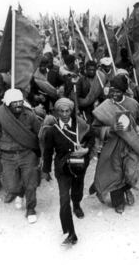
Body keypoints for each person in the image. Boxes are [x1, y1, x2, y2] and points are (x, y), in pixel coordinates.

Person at [0, 89, 41, 223]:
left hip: (27, 154)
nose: (18, 104)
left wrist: (42, 155)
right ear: (7, 104)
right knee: (11, 186)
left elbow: (40, 134)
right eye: (14, 102)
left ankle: (31, 209)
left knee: (31, 184)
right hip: (7, 157)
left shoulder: (30, 115)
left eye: (20, 101)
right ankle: (19, 192)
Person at [42, 98, 94, 245]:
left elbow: (91, 137)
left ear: (72, 111)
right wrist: (46, 170)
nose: (64, 114)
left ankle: (77, 204)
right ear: (56, 112)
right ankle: (71, 233)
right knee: (64, 200)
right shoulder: (52, 131)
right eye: (61, 111)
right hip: (62, 167)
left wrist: (87, 149)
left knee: (77, 189)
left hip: (79, 165)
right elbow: (47, 152)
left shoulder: (80, 126)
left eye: (67, 111)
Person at [91, 75, 139, 214]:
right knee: (115, 173)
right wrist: (110, 129)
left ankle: (127, 189)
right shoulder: (105, 107)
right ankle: (118, 202)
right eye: (112, 91)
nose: (114, 94)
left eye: (118, 91)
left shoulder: (133, 104)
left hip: (131, 145)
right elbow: (95, 128)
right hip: (112, 146)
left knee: (131, 174)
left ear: (124, 90)